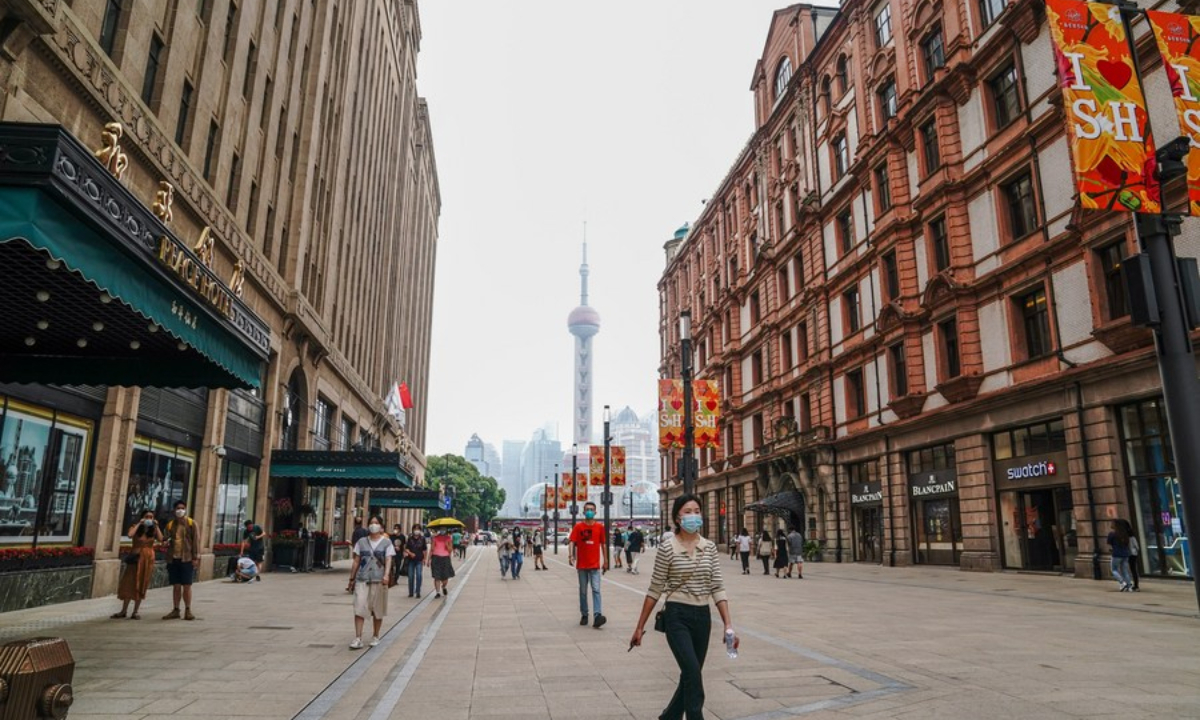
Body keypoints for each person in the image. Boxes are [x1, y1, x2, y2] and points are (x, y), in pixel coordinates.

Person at [630, 494, 736, 720]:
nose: (693, 515)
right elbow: (655, 588)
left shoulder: (709, 548)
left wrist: (728, 625)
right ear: (677, 518)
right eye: (687, 511)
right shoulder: (667, 548)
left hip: (702, 617)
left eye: (697, 510)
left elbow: (717, 585)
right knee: (692, 674)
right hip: (677, 616)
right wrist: (640, 627)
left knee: (691, 674)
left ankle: (670, 717)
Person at [347, 515, 394, 649]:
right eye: (372, 523)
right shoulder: (361, 542)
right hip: (362, 579)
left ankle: (375, 635)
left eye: (376, 523)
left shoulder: (386, 542)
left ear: (381, 526)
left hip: (379, 580)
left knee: (377, 609)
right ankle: (358, 637)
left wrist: (386, 575)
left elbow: (388, 560)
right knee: (359, 607)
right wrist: (351, 578)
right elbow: (356, 560)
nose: (374, 525)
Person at [112, 509, 161, 619]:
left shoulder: (153, 530)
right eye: (147, 516)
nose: (149, 519)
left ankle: (135, 611)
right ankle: (123, 610)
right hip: (135, 557)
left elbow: (161, 538)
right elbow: (130, 535)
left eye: (151, 517)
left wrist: (156, 526)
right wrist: (140, 524)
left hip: (147, 559)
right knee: (129, 582)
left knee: (142, 583)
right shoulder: (136, 527)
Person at [568, 501, 608, 628]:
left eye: (591, 509)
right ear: (584, 512)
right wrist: (570, 555)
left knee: (596, 590)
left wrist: (606, 561)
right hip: (582, 566)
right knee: (583, 591)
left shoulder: (600, 527)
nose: (589, 511)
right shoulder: (578, 527)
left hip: (595, 565)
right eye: (587, 509)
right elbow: (572, 541)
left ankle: (597, 615)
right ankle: (584, 614)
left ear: (595, 512)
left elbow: (603, 544)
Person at [162, 500, 200, 621]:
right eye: (178, 508)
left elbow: (196, 541)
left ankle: (188, 609)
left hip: (187, 559)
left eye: (182, 508)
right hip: (173, 559)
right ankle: (176, 609)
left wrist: (196, 558)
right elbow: (164, 538)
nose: (180, 510)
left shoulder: (191, 523)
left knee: (187, 586)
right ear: (174, 510)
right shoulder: (170, 525)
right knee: (176, 586)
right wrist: (164, 542)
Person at [428, 527, 456, 598]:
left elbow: (450, 550)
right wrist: (428, 559)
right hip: (436, 558)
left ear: (446, 530)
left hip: (445, 558)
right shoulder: (435, 538)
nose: (442, 530)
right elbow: (431, 549)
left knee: (445, 578)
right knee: (436, 577)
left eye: (444, 529)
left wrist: (447, 545)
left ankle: (443, 587)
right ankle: (437, 592)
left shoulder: (448, 538)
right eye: (441, 529)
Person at [1107, 520, 1134, 591]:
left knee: (1114, 569)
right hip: (1125, 554)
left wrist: (1111, 550)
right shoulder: (1125, 534)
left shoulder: (1112, 534)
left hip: (1116, 554)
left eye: (1112, 523)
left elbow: (1109, 545)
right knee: (1125, 570)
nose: (1111, 524)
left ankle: (1122, 582)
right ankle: (1129, 585)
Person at [404, 523, 428, 598]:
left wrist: (424, 559)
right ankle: (411, 592)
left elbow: (425, 549)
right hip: (411, 560)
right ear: (413, 530)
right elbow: (406, 548)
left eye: (418, 529)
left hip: (419, 560)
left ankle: (418, 591)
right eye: (415, 529)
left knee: (419, 575)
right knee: (410, 576)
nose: (416, 530)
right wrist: (410, 553)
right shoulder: (410, 538)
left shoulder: (422, 538)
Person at [1119, 519, 1140, 591]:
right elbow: (1136, 546)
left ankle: (1131, 585)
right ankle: (1135, 585)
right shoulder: (1130, 534)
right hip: (1132, 554)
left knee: (1129, 569)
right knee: (1133, 569)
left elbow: (1136, 545)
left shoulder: (1125, 535)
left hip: (1129, 554)